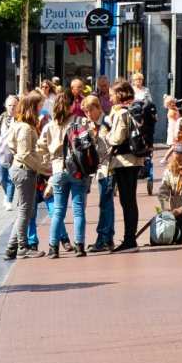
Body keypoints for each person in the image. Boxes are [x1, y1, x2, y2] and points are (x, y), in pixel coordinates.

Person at [38, 94, 90, 257]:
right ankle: (80, 245)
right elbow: (89, 143)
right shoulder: (78, 123)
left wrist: (49, 163)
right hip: (76, 168)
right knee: (78, 210)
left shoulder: (49, 126)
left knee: (58, 210)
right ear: (70, 107)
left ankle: (53, 247)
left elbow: (40, 147)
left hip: (58, 169)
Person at [4, 92, 49, 260]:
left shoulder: (19, 125)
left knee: (25, 210)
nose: (41, 109)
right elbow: (25, 154)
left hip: (21, 169)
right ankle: (22, 247)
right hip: (24, 170)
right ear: (33, 107)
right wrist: (43, 168)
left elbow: (12, 146)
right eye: (39, 106)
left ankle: (11, 247)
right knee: (25, 210)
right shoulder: (24, 128)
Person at [106, 79, 142, 252]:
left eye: (112, 94)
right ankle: (130, 237)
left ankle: (129, 239)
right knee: (129, 200)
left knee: (127, 200)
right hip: (133, 159)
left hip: (124, 161)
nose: (110, 97)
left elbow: (117, 138)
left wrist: (106, 135)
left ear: (119, 95)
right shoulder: (130, 109)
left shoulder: (121, 113)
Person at [81, 94, 115, 253]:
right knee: (105, 203)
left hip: (108, 167)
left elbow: (110, 145)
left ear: (96, 108)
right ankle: (107, 238)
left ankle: (103, 239)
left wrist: (96, 136)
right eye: (85, 112)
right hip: (100, 168)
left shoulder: (106, 122)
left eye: (89, 111)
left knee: (105, 204)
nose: (87, 115)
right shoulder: (91, 123)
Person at [158, 141, 182, 241]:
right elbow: (162, 192)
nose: (179, 162)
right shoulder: (170, 171)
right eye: (177, 159)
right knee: (172, 238)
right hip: (177, 215)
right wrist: (166, 209)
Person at [0, 95, 18, 210]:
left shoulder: (20, 119)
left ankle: (9, 200)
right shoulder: (0, 119)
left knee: (11, 178)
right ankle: (7, 194)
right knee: (2, 177)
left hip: (14, 154)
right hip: (1, 153)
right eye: (10, 105)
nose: (12, 108)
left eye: (14, 105)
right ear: (6, 106)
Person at [130, 71, 156, 195]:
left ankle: (146, 162)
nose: (139, 82)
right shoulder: (131, 90)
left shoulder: (146, 90)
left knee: (146, 139)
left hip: (144, 119)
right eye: (137, 80)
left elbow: (151, 103)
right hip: (133, 117)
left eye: (140, 79)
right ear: (133, 81)